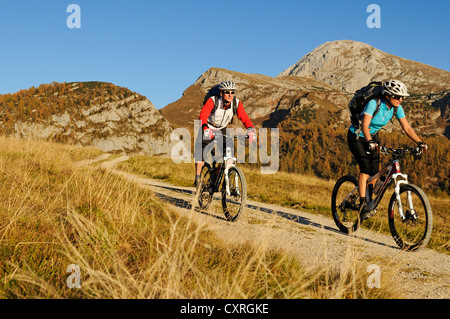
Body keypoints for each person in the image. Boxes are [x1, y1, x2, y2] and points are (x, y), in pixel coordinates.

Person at [347, 80, 428, 219]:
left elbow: (407, 128)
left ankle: (369, 199)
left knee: (375, 171)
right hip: (357, 135)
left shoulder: (397, 108)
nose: (400, 99)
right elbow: (365, 125)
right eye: (397, 96)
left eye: (402, 97)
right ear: (387, 95)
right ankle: (362, 204)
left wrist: (420, 142)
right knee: (365, 167)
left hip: (372, 137)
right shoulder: (374, 103)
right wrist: (370, 141)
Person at [194, 80, 256, 186]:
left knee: (229, 156)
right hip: (208, 127)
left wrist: (250, 129)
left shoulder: (236, 103)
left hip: (222, 129)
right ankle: (198, 177)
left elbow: (244, 117)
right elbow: (203, 115)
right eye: (227, 92)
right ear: (221, 93)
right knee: (200, 152)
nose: (230, 95)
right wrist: (205, 128)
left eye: (232, 92)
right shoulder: (213, 101)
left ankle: (225, 178)